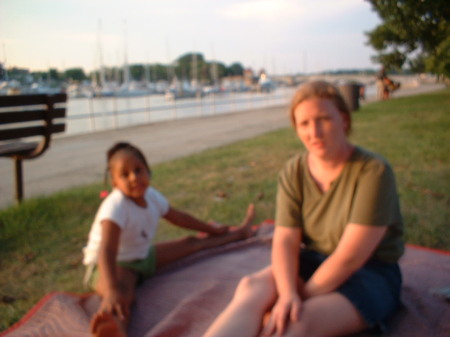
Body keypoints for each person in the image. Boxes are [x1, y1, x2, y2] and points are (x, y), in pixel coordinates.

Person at [203, 81, 404, 337]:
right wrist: (287, 293)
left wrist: (298, 299)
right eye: (304, 124)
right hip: (312, 259)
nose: (314, 133)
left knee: (295, 322)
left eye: (324, 119)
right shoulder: (294, 170)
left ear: (343, 120)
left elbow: (351, 257)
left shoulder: (373, 171)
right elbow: (285, 239)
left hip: (369, 271)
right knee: (251, 288)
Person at [82, 141, 256, 337]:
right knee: (123, 295)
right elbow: (107, 250)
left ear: (148, 171)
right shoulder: (115, 206)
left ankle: (240, 233)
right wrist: (112, 289)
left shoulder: (151, 196)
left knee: (191, 243)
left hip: (141, 257)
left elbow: (179, 218)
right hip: (108, 265)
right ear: (114, 183)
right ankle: (115, 330)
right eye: (125, 174)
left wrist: (210, 229)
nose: (134, 178)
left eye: (139, 170)